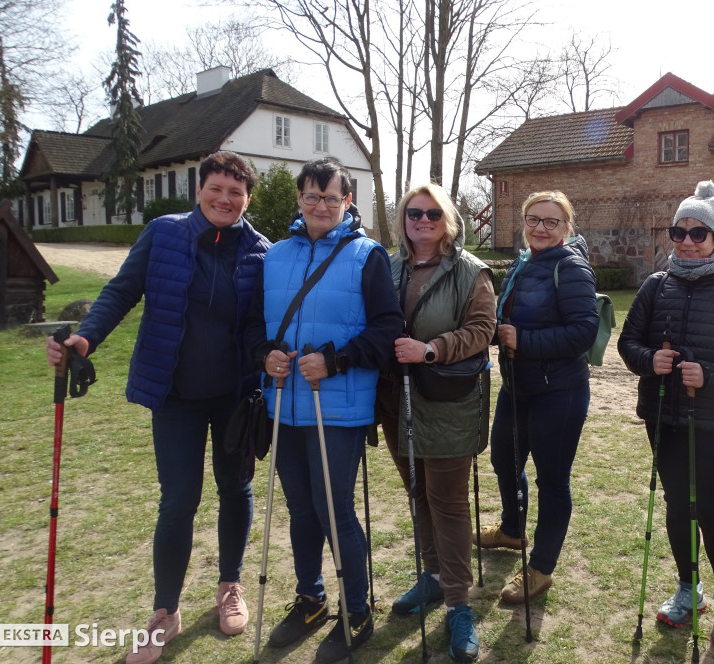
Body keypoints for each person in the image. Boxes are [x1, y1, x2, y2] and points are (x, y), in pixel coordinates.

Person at [45, 151, 270, 664]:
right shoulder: (163, 234)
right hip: (175, 394)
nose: (225, 199)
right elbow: (122, 291)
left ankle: (229, 587)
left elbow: (263, 323)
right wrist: (85, 339)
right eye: (216, 188)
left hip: (236, 395)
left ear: (247, 200)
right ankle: (165, 611)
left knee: (236, 488)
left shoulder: (262, 252)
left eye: (236, 193)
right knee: (178, 500)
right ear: (199, 190)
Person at [245, 157, 402, 664]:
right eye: (312, 197)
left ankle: (356, 609)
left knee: (335, 509)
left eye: (332, 198)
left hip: (338, 407)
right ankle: (311, 598)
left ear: (347, 202)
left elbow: (387, 328)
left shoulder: (367, 255)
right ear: (299, 199)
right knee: (301, 508)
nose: (321, 206)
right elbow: (253, 325)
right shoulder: (275, 255)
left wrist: (335, 361)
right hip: (284, 403)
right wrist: (264, 354)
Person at [617, 180, 714, 649]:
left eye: (697, 232)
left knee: (707, 508)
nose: (685, 241)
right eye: (677, 232)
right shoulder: (655, 285)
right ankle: (689, 589)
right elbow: (628, 343)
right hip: (663, 415)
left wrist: (711, 374)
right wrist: (649, 361)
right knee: (676, 505)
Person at [376, 183, 495, 663]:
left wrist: (431, 349)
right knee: (416, 493)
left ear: (447, 220)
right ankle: (431, 575)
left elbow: (482, 330)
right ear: (403, 220)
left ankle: (458, 603)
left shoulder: (471, 272)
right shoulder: (387, 266)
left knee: (447, 502)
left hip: (447, 403)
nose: (422, 221)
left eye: (432, 213)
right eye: (413, 213)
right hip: (395, 402)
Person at [479, 191, 599, 605]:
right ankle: (513, 531)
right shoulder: (523, 263)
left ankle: (541, 568)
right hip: (517, 386)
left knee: (552, 480)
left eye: (551, 222)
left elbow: (584, 332)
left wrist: (523, 340)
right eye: (533, 219)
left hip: (558, 391)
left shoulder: (572, 268)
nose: (540, 228)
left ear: (567, 227)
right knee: (503, 459)